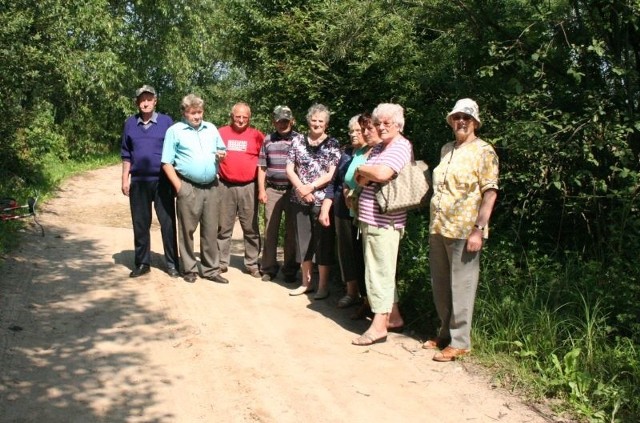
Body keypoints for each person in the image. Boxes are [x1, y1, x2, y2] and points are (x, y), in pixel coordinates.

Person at [424, 98, 499, 361]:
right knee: (441, 284)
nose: (461, 122)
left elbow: (490, 192)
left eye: (466, 118)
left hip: (465, 229)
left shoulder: (484, 151)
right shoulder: (447, 149)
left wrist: (478, 229)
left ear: (475, 122)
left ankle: (461, 341)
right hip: (439, 226)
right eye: (457, 117)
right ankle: (444, 332)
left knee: (462, 285)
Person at [351, 103, 410, 346]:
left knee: (378, 273)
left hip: (385, 222)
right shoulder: (379, 148)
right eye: (379, 123)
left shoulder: (400, 145)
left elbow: (384, 174)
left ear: (398, 125)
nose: (381, 127)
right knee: (381, 271)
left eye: (387, 123)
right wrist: (366, 171)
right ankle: (394, 317)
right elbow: (360, 180)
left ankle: (378, 326)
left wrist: (363, 168)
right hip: (370, 218)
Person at [161, 94, 229, 284]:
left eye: (199, 112)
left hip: (212, 186)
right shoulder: (175, 131)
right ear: (184, 113)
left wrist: (222, 156)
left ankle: (210, 269)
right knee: (187, 230)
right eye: (192, 113)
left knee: (210, 229)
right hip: (188, 186)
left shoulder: (211, 128)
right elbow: (166, 162)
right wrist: (179, 187)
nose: (197, 116)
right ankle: (189, 268)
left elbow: (222, 151)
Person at [120, 85, 178, 278]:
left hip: (162, 181)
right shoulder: (130, 123)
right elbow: (126, 153)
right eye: (141, 99)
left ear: (155, 101)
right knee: (140, 223)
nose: (145, 102)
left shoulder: (166, 122)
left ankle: (172, 263)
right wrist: (124, 179)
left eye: (149, 99)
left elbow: (175, 151)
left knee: (168, 223)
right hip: (139, 182)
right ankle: (142, 262)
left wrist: (176, 180)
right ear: (137, 102)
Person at [286, 104, 341, 300]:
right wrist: (301, 188)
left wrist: (312, 187)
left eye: (321, 121)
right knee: (303, 242)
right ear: (308, 120)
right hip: (299, 198)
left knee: (323, 244)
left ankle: (323, 286)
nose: (317, 124)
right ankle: (306, 283)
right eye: (314, 120)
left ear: (326, 124)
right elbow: (290, 169)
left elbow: (332, 173)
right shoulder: (297, 141)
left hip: (322, 200)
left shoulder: (333, 143)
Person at [318, 114, 366, 309]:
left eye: (358, 131)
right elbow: (335, 181)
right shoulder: (346, 152)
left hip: (362, 210)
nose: (353, 135)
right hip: (340, 208)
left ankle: (366, 297)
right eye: (351, 131)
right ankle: (351, 292)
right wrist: (326, 206)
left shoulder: (373, 152)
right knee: (345, 252)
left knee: (362, 254)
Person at [217, 102, 265, 278]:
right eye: (238, 116)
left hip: (249, 187)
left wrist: (262, 188)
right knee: (223, 226)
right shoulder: (220, 133)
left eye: (245, 117)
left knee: (251, 227)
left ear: (249, 118)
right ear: (232, 116)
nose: (241, 120)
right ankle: (221, 262)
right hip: (225, 185)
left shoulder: (257, 136)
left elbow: (264, 163)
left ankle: (252, 263)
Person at [257, 106, 300, 283]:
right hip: (273, 190)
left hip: (293, 191)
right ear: (273, 121)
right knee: (270, 230)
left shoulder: (300, 140)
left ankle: (290, 270)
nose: (282, 124)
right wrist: (261, 189)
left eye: (285, 120)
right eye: (278, 120)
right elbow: (262, 167)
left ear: (291, 121)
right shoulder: (267, 140)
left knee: (291, 233)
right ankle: (268, 268)